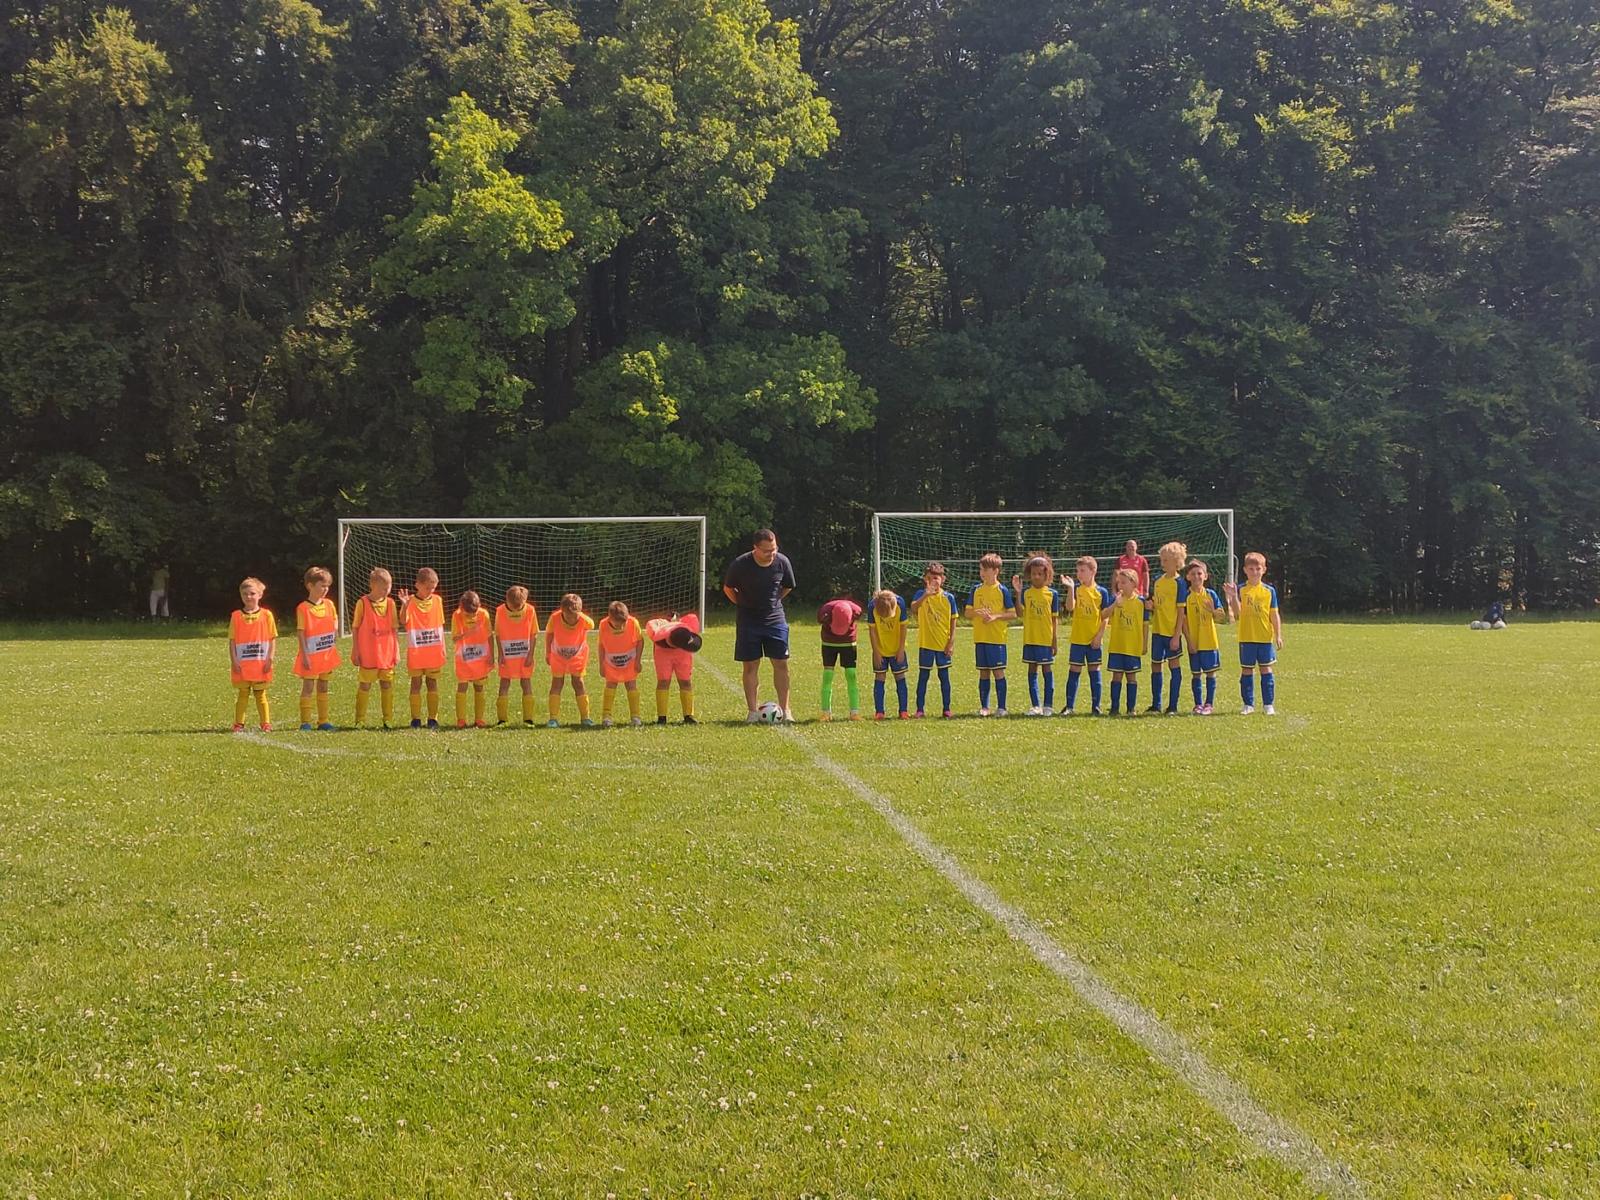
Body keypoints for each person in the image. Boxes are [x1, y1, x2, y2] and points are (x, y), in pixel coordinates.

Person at [722, 530, 797, 722]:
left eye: (774, 549)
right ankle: (753, 712)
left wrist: (774, 602)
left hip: (775, 620)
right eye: (766, 550)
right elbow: (728, 588)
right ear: (755, 548)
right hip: (748, 621)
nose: (771, 554)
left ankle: (786, 710)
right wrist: (742, 603)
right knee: (750, 665)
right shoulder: (740, 564)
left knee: (781, 664)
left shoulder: (782, 562)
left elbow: (787, 586)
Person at [1225, 551, 1282, 715]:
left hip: (1264, 638)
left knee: (1266, 670)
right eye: (1251, 569)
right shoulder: (1241, 589)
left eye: (1258, 569)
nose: (1255, 572)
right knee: (1247, 671)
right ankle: (1248, 704)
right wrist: (1233, 597)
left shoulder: (1269, 591)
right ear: (1245, 570)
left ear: (1264, 570)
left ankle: (1268, 704)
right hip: (1247, 637)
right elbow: (1237, 613)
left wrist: (1278, 635)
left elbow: (1274, 614)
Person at [965, 552, 1015, 717]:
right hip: (980, 638)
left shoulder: (1002, 590)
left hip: (996, 638)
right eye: (980, 569)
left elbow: (1012, 614)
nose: (982, 573)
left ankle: (1002, 708)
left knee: (998, 672)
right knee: (983, 672)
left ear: (995, 571)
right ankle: (984, 707)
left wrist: (995, 617)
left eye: (985, 570)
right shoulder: (976, 590)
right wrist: (977, 613)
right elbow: (967, 612)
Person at [350, 567, 400, 728]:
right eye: (384, 588)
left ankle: (388, 719)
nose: (387, 591)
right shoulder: (362, 603)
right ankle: (360, 720)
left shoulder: (391, 604)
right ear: (373, 585)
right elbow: (355, 628)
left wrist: (397, 650)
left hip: (386, 653)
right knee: (365, 685)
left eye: (389, 587)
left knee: (387, 684)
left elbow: (394, 629)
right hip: (368, 654)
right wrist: (355, 650)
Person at [293, 566, 341, 731]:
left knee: (323, 686)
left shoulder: (329, 604)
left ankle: (323, 721)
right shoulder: (303, 608)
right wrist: (305, 655)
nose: (326, 589)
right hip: (311, 656)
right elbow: (301, 632)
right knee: (308, 687)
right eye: (322, 586)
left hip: (326, 655)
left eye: (327, 586)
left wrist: (335, 630)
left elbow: (335, 619)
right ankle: (305, 722)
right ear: (310, 586)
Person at [1011, 554, 1059, 716]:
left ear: (1047, 574)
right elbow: (1019, 613)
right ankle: (1035, 705)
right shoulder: (1026, 593)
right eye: (1033, 574)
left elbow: (1054, 620)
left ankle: (1048, 706)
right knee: (1032, 670)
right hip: (1030, 639)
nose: (1036, 577)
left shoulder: (1052, 594)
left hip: (1045, 640)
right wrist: (1018, 593)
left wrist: (1054, 641)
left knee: (1047, 670)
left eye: (1040, 573)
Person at [1061, 556, 1109, 716]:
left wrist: (1099, 636)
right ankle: (1069, 707)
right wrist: (1070, 589)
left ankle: (1096, 706)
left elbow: (1105, 616)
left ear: (1093, 571)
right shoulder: (1076, 589)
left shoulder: (1101, 592)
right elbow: (1070, 607)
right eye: (1077, 571)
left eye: (1082, 570)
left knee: (1094, 670)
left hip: (1093, 639)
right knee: (1074, 670)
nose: (1079, 574)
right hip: (1078, 638)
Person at [399, 567, 445, 729]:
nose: (430, 591)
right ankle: (416, 719)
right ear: (417, 585)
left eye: (433, 588)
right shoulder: (410, 601)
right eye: (427, 588)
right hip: (417, 652)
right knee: (416, 683)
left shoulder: (437, 600)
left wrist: (443, 648)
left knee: (432, 683)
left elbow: (440, 625)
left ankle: (433, 718)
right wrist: (405, 605)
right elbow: (403, 621)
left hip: (433, 652)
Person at [1146, 541, 1190, 715]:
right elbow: (1154, 603)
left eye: (1166, 560)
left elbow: (1181, 612)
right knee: (1156, 665)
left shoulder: (1180, 583)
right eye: (1161, 559)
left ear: (1176, 561)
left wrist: (1176, 635)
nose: (1162, 563)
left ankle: (1172, 706)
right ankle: (1156, 704)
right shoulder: (1157, 580)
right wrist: (1150, 606)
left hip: (1171, 632)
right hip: (1157, 630)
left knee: (1174, 665)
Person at [911, 562, 958, 718]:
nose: (933, 581)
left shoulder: (948, 598)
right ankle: (920, 709)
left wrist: (951, 643)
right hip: (926, 644)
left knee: (944, 677)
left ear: (942, 579)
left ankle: (946, 708)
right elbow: (914, 609)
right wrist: (926, 595)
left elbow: (953, 622)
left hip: (943, 645)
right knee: (923, 677)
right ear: (925, 579)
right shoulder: (920, 594)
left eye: (936, 578)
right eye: (930, 578)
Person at [228, 577, 275, 731]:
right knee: (243, 693)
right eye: (245, 594)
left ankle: (265, 723)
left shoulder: (267, 615)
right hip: (242, 664)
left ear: (260, 595)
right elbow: (232, 641)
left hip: (260, 663)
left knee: (260, 694)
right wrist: (234, 661)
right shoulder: (236, 616)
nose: (248, 597)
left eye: (252, 593)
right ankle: (238, 723)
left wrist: (270, 659)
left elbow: (272, 638)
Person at [1183, 559, 1227, 714]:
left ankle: (1209, 704)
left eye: (1199, 573)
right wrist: (1189, 641)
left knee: (1210, 672)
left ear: (1205, 576)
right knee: (1196, 674)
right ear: (1188, 576)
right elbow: (1183, 621)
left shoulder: (1211, 594)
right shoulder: (1185, 596)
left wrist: (1213, 611)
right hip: (1194, 641)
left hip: (1209, 640)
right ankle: (1197, 704)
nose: (1196, 577)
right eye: (1193, 574)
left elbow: (1222, 617)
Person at [545, 592, 595, 727]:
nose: (571, 619)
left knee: (578, 683)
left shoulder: (583, 620)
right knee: (557, 683)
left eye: (574, 616)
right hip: (558, 656)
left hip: (577, 656)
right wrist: (548, 653)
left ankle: (585, 717)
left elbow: (592, 625)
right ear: (562, 611)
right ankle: (553, 719)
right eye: (568, 616)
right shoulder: (555, 618)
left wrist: (580, 614)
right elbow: (549, 634)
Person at [494, 585, 538, 725]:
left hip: (524, 655)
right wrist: (500, 653)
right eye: (514, 607)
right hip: (507, 656)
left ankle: (528, 719)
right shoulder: (500, 611)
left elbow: (534, 634)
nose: (516, 610)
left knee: (526, 683)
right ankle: (502, 719)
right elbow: (498, 634)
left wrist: (531, 654)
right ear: (507, 600)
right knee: (504, 683)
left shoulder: (530, 610)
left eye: (519, 607)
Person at [646, 613, 701, 724]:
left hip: (683, 654)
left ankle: (688, 715)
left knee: (685, 681)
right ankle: (662, 717)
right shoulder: (659, 635)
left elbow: (692, 619)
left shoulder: (687, 630)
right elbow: (651, 625)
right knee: (663, 681)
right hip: (663, 653)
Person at [1105, 567, 1145, 715]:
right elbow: (1103, 615)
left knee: (1131, 677)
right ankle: (1114, 708)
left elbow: (1145, 625)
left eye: (1123, 582)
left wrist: (1144, 643)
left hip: (1132, 646)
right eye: (1119, 582)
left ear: (1133, 583)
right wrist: (1115, 604)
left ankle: (1131, 709)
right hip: (1117, 645)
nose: (1120, 585)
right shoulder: (1115, 599)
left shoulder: (1141, 602)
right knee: (1116, 676)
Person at [599, 600, 645, 727]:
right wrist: (601, 664)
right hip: (611, 662)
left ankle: (635, 716)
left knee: (631, 685)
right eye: (617, 624)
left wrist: (638, 660)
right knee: (610, 685)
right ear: (610, 618)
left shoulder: (633, 622)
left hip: (629, 661)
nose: (620, 627)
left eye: (623, 624)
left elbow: (640, 641)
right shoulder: (603, 625)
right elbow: (601, 645)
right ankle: (606, 716)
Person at [817, 596, 864, 721]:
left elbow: (859, 614)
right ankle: (826, 712)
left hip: (848, 643)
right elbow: (820, 620)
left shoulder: (856, 610)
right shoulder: (824, 612)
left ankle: (854, 712)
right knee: (828, 675)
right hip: (829, 643)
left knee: (851, 674)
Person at [867, 589, 910, 720]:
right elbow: (872, 631)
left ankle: (903, 711)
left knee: (900, 677)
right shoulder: (872, 606)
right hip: (880, 650)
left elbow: (903, 628)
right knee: (880, 677)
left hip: (897, 649)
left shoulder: (900, 603)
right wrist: (876, 652)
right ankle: (879, 712)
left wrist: (901, 649)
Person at [451, 590, 492, 728]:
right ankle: (461, 720)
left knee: (479, 687)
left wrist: (491, 655)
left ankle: (479, 719)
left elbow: (489, 636)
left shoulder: (484, 614)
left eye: (474, 613)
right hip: (463, 658)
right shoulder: (456, 615)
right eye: (468, 614)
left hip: (480, 657)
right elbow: (454, 638)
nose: (471, 616)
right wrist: (466, 633)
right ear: (461, 607)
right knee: (462, 687)